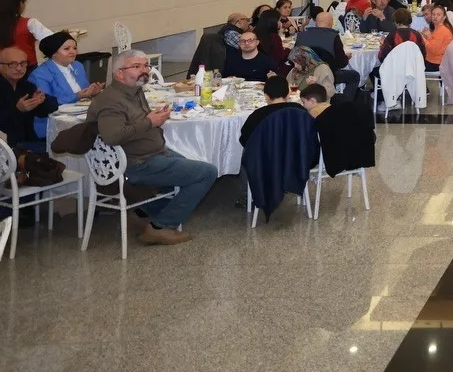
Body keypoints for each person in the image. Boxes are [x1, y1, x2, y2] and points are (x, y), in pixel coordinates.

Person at [87, 50, 219, 245]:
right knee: (207, 172)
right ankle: (160, 226)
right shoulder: (111, 101)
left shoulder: (134, 90)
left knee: (189, 164)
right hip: (136, 163)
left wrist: (153, 118)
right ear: (119, 73)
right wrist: (150, 121)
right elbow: (112, 136)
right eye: (136, 66)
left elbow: (135, 122)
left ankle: (143, 211)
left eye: (146, 65)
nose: (144, 70)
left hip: (151, 153)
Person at [0, 46, 57, 151]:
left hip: (29, 141)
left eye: (23, 63)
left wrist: (41, 101)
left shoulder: (26, 86)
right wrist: (18, 110)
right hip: (6, 147)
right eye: (12, 64)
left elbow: (48, 110)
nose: (19, 68)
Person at [31, 32, 104, 105]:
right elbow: (46, 103)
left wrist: (93, 92)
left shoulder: (78, 65)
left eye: (75, 48)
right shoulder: (39, 74)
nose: (73, 51)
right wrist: (77, 96)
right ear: (53, 53)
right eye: (66, 49)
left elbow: (85, 92)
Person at [239, 75, 302, 146]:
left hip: (266, 152)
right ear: (288, 94)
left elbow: (244, 140)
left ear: (266, 96)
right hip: (296, 151)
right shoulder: (299, 110)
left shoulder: (257, 115)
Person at [420, 4, 453, 71]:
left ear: (444, 17)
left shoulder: (442, 30)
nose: (435, 17)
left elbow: (432, 50)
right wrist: (429, 36)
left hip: (436, 63)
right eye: (433, 14)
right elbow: (435, 44)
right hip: (439, 61)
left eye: (438, 15)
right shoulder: (440, 28)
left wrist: (422, 38)